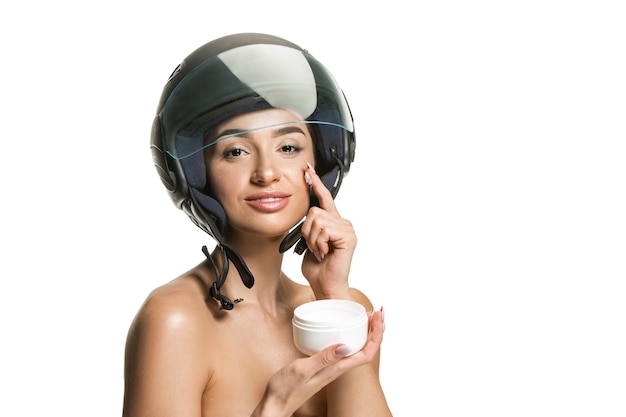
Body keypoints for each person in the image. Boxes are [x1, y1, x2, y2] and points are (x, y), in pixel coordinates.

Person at [122, 32, 392, 417]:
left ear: (320, 161)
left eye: (288, 147)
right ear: (196, 177)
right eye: (235, 151)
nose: (266, 173)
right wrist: (274, 405)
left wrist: (334, 296)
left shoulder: (348, 308)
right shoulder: (174, 321)